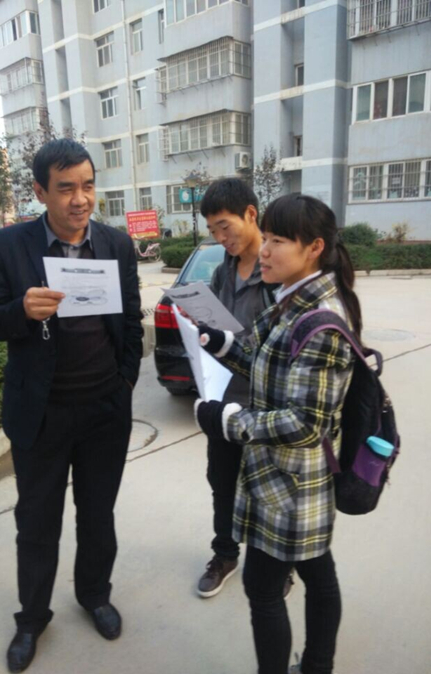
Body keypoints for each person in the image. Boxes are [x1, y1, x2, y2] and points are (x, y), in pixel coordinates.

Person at [0, 139, 143, 673]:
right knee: (37, 521)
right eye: (66, 187)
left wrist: (124, 382)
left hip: (104, 411)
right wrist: (22, 310)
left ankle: (94, 595)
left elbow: (131, 320)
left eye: (88, 185)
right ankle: (31, 618)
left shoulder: (116, 245)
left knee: (98, 514)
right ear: (39, 191)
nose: (80, 199)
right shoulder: (7, 246)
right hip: (41, 413)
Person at [195, 194, 361, 674]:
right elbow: (266, 364)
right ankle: (318, 666)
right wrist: (221, 343)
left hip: (291, 484)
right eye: (265, 238)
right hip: (284, 478)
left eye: (277, 241)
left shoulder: (320, 321)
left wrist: (227, 422)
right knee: (317, 571)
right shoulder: (291, 301)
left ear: (314, 247)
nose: (263, 251)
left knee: (264, 587)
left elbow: (306, 422)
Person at [196, 179, 279, 598]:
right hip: (224, 399)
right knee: (222, 482)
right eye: (212, 230)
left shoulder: (276, 270)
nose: (220, 238)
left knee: (269, 492)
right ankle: (225, 554)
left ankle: (277, 567)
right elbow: (214, 328)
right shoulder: (222, 272)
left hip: (266, 408)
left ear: (250, 214)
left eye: (224, 226)